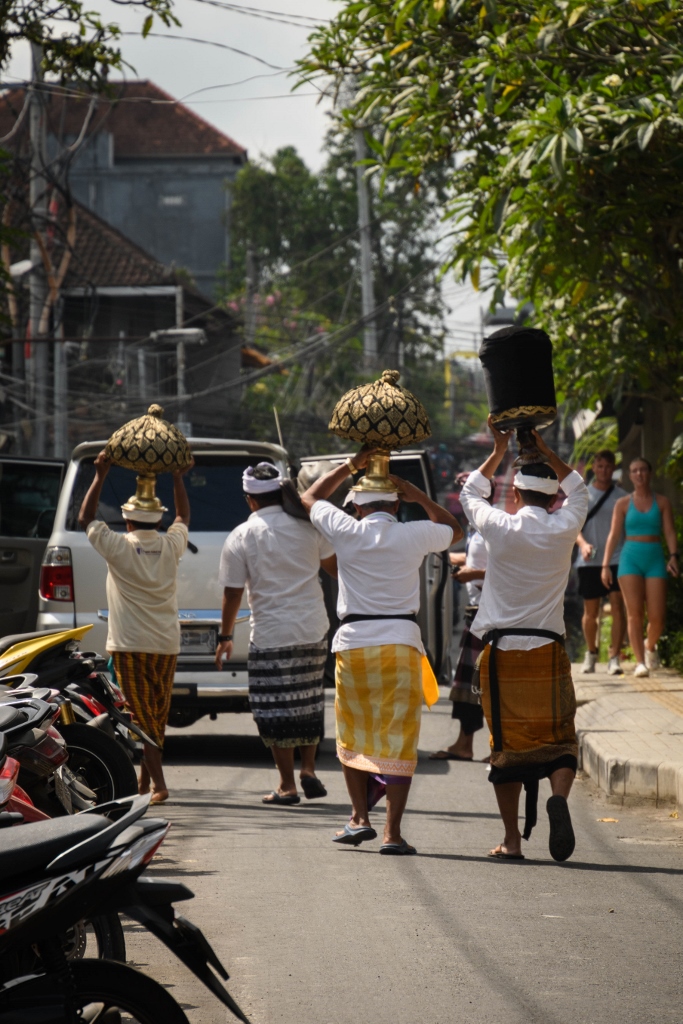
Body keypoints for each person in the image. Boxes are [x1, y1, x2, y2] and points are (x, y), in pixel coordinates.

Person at [300, 450, 461, 855]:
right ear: (395, 503)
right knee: (399, 741)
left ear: (356, 505)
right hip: (402, 644)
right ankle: (392, 832)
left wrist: (349, 465)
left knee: (353, 736)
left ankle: (359, 817)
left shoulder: (345, 528)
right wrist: (419, 495)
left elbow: (308, 498)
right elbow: (454, 531)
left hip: (354, 643)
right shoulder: (413, 532)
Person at [461, 418, 588, 862]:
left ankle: (512, 841)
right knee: (560, 736)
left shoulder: (500, 526)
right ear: (553, 498)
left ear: (514, 494)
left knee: (506, 748)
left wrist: (498, 450)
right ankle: (558, 798)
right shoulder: (564, 526)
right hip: (549, 648)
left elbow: (468, 494)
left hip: (503, 654)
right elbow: (581, 490)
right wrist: (547, 451)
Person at [215, 463, 337, 805]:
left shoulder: (242, 535)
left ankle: (287, 785)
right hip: (313, 628)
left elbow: (233, 593)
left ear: (250, 499)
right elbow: (335, 568)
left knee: (273, 710)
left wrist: (225, 637)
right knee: (308, 702)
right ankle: (309, 769)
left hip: (270, 634)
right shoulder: (309, 527)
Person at [79, 451, 191, 804]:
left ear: (127, 520)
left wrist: (100, 474)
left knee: (140, 718)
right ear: (159, 520)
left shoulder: (118, 546)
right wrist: (176, 477)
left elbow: (85, 517)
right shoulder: (171, 545)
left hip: (129, 644)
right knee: (154, 715)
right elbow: (185, 515)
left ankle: (157, 785)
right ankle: (144, 786)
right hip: (166, 644)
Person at [429, 476, 494, 762]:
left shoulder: (495, 527)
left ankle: (500, 747)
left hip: (489, 615)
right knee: (468, 684)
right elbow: (475, 560)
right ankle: (464, 744)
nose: (462, 496)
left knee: (491, 685)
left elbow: (508, 571)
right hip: (475, 611)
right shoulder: (476, 529)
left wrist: (473, 575)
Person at [601, 457, 679, 678]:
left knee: (657, 617)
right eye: (634, 471)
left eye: (643, 470)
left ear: (650, 473)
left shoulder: (662, 502)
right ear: (629, 476)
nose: (639, 474)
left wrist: (673, 557)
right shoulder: (623, 504)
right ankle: (640, 663)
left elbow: (670, 532)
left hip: (654, 557)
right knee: (634, 613)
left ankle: (650, 645)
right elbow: (614, 535)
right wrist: (605, 565)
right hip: (630, 559)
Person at [575, 450, 627, 675]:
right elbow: (574, 528)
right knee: (591, 610)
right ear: (594, 468)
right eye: (600, 466)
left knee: (618, 607)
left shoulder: (623, 496)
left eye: (608, 466)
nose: (604, 470)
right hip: (590, 559)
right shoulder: (583, 495)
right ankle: (591, 652)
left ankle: (614, 656)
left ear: (613, 468)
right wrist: (583, 544)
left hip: (617, 557)